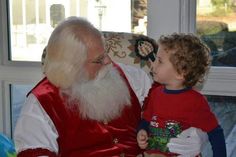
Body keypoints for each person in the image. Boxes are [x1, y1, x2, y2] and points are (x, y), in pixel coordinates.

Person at [14, 17, 207, 157]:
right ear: (71, 66)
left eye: (105, 52)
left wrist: (195, 135)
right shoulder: (41, 104)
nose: (109, 61)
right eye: (98, 59)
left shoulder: (133, 78)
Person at [137, 33, 227, 157]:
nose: (153, 64)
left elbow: (215, 132)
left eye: (160, 61)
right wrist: (141, 131)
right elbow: (146, 120)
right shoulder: (155, 93)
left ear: (180, 73)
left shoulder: (195, 101)